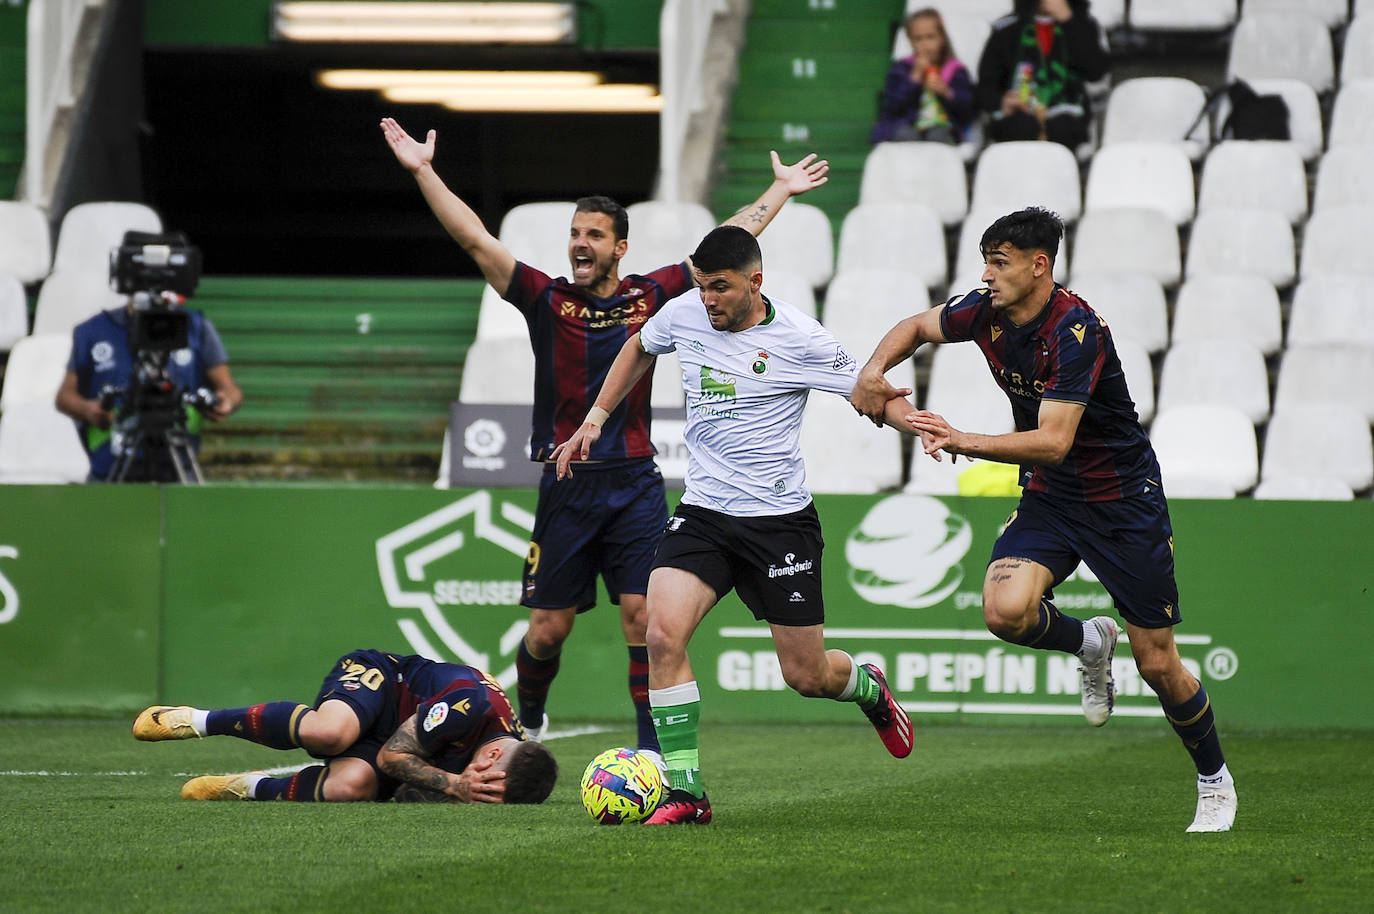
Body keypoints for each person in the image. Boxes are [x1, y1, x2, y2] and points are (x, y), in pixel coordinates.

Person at [380, 117, 829, 766]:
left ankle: (652, 755)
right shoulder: (543, 299)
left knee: (645, 620)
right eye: (574, 234)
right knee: (547, 632)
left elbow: (729, 245)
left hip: (636, 484)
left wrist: (779, 191)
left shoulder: (654, 297)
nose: (579, 244)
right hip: (566, 486)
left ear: (621, 247)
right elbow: (474, 238)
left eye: (593, 234)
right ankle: (529, 716)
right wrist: (423, 171)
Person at [849, 207, 1237, 833]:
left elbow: (1055, 440)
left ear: (1040, 266)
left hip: (1120, 501)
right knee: (1003, 611)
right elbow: (917, 324)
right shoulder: (986, 309)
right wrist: (873, 372)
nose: (986, 274)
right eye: (985, 261)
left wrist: (960, 438)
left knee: (1159, 663)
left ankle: (1213, 781)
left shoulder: (1075, 330)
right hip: (1052, 498)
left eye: (998, 263)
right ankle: (1089, 640)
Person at [553, 226, 916, 825]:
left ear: (756, 282)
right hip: (704, 516)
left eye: (720, 288)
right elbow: (641, 346)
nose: (708, 300)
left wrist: (925, 426)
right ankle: (688, 795)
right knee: (660, 633)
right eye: (701, 287)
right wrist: (595, 418)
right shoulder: (686, 314)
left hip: (780, 525)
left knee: (807, 675)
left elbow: (870, 391)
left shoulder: (801, 338)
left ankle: (868, 686)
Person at [132, 648, 558, 804]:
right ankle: (199, 720)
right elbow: (393, 754)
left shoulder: (504, 756)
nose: (478, 785)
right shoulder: (471, 706)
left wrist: (450, 789)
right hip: (384, 686)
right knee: (330, 733)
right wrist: (452, 785)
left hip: (406, 743)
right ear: (496, 753)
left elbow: (404, 780)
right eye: (486, 782)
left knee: (349, 788)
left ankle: (247, 786)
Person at [55, 292, 242, 482]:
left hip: (179, 466)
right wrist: (88, 410)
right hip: (110, 465)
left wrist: (225, 401)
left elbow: (230, 389)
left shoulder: (196, 326)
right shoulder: (93, 330)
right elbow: (64, 397)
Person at [976, 0, 1108, 150]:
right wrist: (1002, 101)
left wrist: (1069, 21)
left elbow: (1096, 73)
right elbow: (985, 87)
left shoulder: (1084, 25)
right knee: (1022, 126)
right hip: (1019, 116)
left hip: (1067, 116)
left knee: (1062, 128)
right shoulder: (1006, 29)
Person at [870, 8, 976, 145]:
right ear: (910, 40)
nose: (924, 44)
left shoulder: (956, 70)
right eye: (918, 39)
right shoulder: (901, 69)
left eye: (930, 37)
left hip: (943, 127)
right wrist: (914, 79)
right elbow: (893, 106)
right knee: (905, 136)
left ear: (942, 38)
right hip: (907, 126)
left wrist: (947, 92)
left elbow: (968, 110)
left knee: (938, 136)